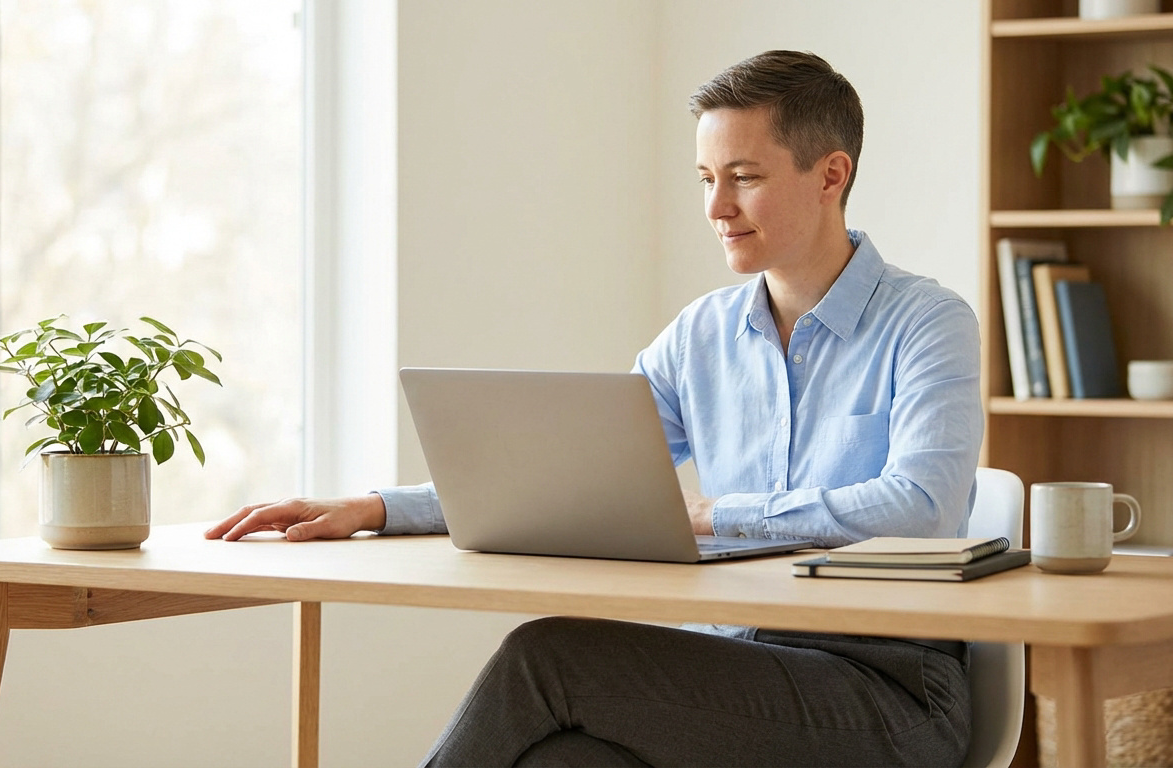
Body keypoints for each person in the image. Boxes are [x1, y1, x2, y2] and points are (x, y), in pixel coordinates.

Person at [207, 50, 982, 767]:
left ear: (830, 175)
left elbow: (919, 509)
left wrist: (719, 514)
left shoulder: (926, 322)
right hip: (737, 663)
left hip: (889, 693)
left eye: (743, 176)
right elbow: (571, 482)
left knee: (548, 659)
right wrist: (376, 508)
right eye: (704, 177)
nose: (717, 206)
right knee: (560, 760)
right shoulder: (701, 334)